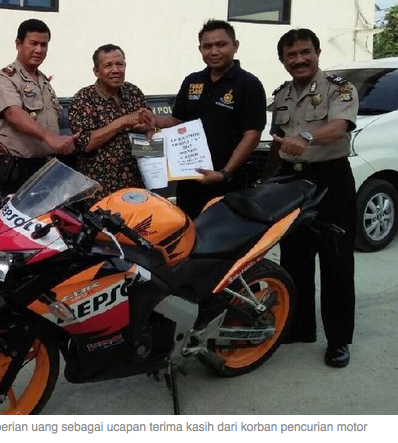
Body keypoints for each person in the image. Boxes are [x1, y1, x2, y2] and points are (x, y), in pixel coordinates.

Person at [263, 28, 357, 368]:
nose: (299, 59)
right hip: (292, 181)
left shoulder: (339, 88)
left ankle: (339, 340)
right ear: (283, 60)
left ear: (317, 52)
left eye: (305, 52)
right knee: (295, 258)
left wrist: (305, 136)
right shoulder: (282, 94)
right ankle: (300, 327)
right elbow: (278, 142)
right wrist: (267, 182)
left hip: (330, 179)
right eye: (291, 55)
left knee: (336, 263)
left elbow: (339, 127)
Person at [149, 19, 266, 219]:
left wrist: (225, 173)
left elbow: (252, 135)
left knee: (223, 240)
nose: (214, 51)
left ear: (235, 46)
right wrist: (154, 120)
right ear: (200, 49)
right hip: (190, 180)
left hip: (228, 183)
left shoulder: (249, 84)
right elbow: (178, 120)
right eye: (207, 46)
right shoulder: (193, 81)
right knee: (189, 235)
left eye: (221, 44)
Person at [0, 18, 76, 195]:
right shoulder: (4, 78)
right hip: (19, 169)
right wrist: (49, 137)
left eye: (44, 45)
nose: (39, 50)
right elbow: (14, 114)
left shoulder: (44, 81)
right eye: (33, 43)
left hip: (48, 166)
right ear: (18, 44)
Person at [68, 44, 153, 200]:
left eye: (119, 64)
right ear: (96, 71)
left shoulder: (134, 92)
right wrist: (122, 121)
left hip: (138, 188)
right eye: (108, 66)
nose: (115, 70)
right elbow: (85, 144)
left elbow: (151, 129)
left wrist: (147, 128)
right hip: (101, 192)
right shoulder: (83, 99)